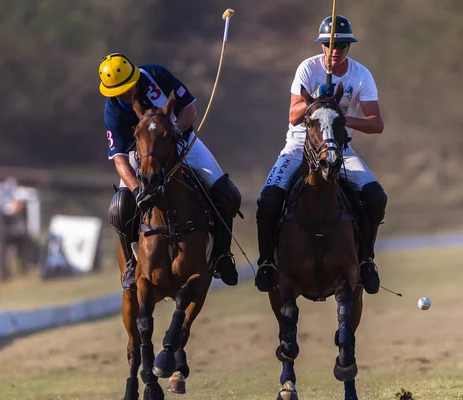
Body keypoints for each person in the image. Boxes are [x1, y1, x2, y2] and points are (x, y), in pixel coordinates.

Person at [254, 15, 387, 294]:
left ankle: (367, 261)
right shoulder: (308, 68)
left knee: (375, 197)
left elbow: (376, 123)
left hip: (339, 146)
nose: (334, 51)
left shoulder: (360, 75)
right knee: (268, 199)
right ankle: (267, 262)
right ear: (322, 46)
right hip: (299, 146)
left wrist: (339, 119)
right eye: (329, 45)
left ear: (349, 47)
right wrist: (315, 100)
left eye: (341, 45)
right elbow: (293, 116)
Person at [99, 53, 241, 291]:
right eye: (119, 92)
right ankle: (132, 265)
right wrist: (135, 190)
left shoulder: (156, 75)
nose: (126, 95)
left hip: (181, 139)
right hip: (141, 154)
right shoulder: (112, 109)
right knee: (121, 207)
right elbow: (119, 158)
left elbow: (190, 111)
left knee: (226, 193)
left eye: (128, 88)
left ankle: (222, 255)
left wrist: (172, 131)